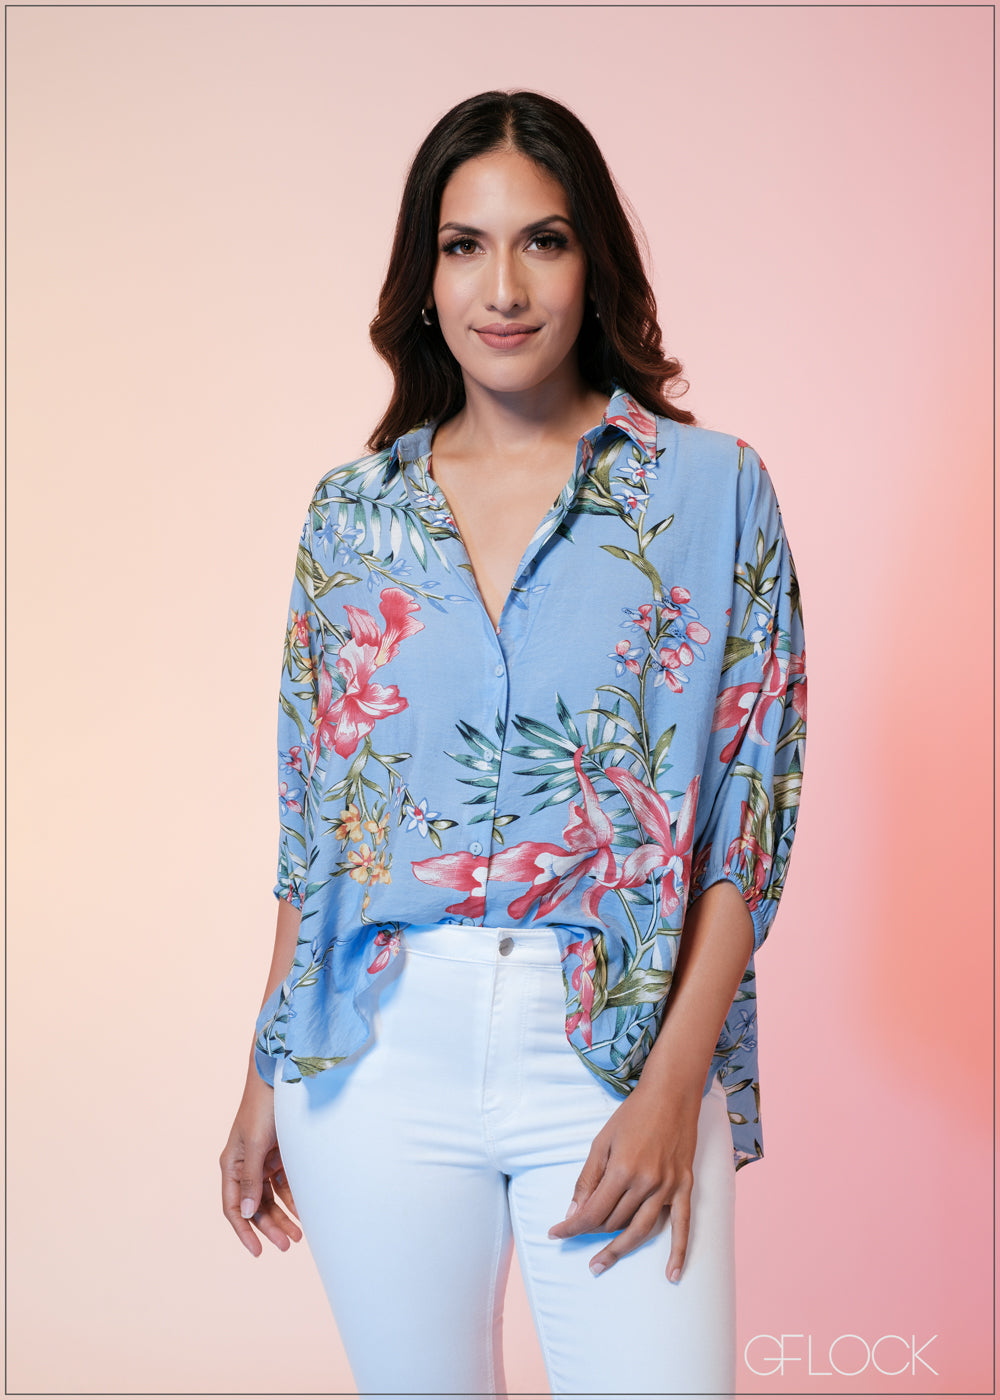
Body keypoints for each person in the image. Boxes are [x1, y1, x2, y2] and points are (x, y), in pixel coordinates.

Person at [220, 89, 807, 1400]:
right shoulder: (353, 515)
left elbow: (747, 820)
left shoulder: (712, 489)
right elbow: (320, 825)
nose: (503, 287)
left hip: (615, 1043)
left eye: (543, 240)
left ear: (593, 262)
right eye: (464, 245)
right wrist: (264, 1071)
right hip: (372, 1052)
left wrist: (673, 1088)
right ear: (423, 277)